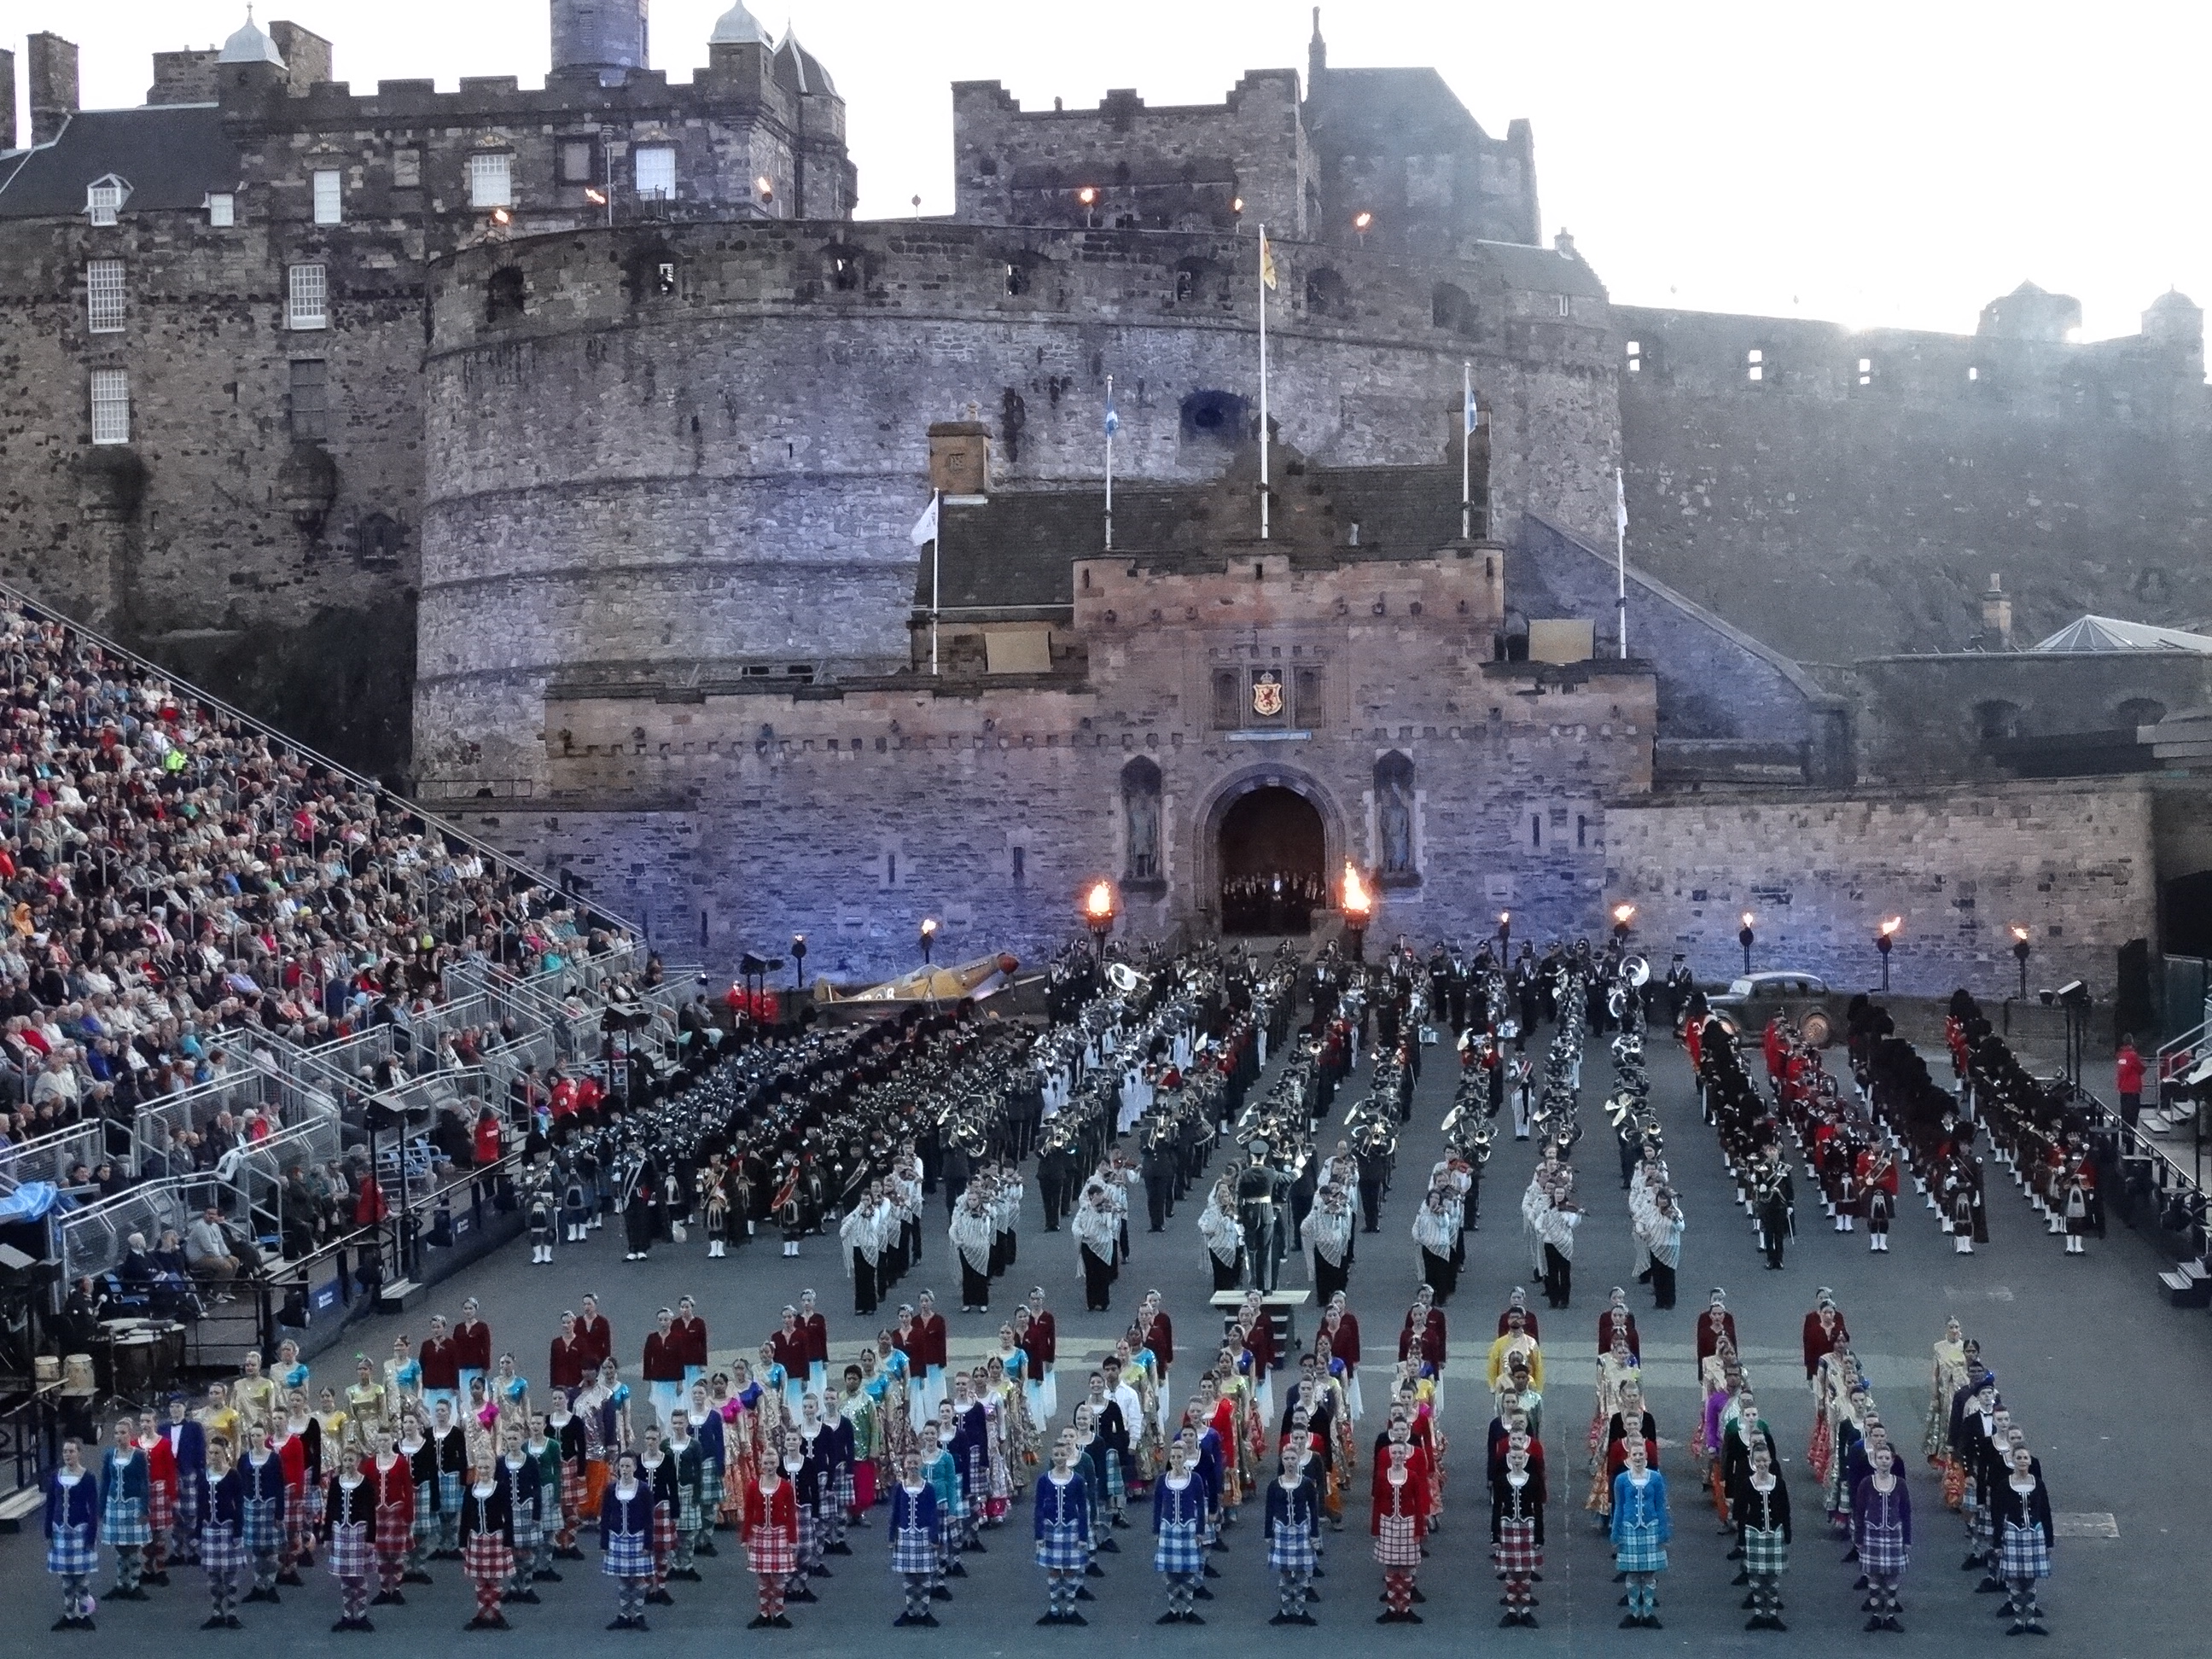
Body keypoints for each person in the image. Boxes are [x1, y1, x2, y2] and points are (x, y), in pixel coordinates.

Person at [1610, 1436, 1670, 1629]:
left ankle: (1649, 1613)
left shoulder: (1656, 1478)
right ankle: (1634, 1613)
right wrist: (1616, 1531)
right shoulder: (1621, 1480)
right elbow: (1618, 1507)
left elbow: (1660, 1506)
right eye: (1634, 1454)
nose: (1638, 1458)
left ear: (1646, 1456)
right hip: (1629, 1529)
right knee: (1633, 1574)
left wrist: (1663, 1530)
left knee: (1649, 1573)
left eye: (1641, 1454)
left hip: (1651, 1528)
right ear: (1629, 1456)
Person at [1995, 1445, 2054, 1636]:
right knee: (2014, 1580)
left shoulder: (2038, 1483)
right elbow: (1998, 1514)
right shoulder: (2005, 1485)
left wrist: (2049, 1541)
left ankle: (2030, 1620)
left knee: (2030, 1580)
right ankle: (2019, 1621)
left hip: (2034, 1534)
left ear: (2030, 1461)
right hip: (2013, 1533)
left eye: (2025, 1458)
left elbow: (2045, 1513)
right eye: (2019, 1458)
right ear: (2013, 1461)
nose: (2022, 1461)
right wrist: (1997, 1543)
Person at [1853, 1441, 1911, 1633]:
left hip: (1895, 1535)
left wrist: (1907, 1539)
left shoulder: (1900, 1484)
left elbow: (1906, 1513)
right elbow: (1859, 1512)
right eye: (1880, 1458)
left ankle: (1890, 1617)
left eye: (1887, 1458)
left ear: (1892, 1461)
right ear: (1875, 1460)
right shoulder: (1866, 1484)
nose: (1884, 1461)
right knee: (1874, 1579)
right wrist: (1858, 1538)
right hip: (1872, 1535)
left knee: (1892, 1579)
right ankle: (1877, 1616)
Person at [1034, 1435, 1091, 1625]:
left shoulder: (1077, 1480)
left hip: (1071, 1528)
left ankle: (1070, 1608)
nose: (1059, 1458)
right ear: (1052, 1457)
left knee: (1069, 1569)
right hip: (1050, 1528)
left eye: (1062, 1454)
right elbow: (1038, 1508)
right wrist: (1038, 1535)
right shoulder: (1044, 1480)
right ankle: (1054, 1609)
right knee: (1052, 1569)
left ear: (1068, 1455)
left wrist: (1083, 1536)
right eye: (1056, 1455)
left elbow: (1082, 1509)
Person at [45, 1436, 102, 1631]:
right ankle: (69, 1614)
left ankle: (84, 1614)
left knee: (81, 1578)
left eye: (71, 1451)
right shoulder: (56, 1476)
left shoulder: (87, 1477)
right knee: (66, 1578)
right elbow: (50, 1503)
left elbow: (93, 1508)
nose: (67, 1455)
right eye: (65, 1452)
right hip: (60, 1530)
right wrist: (48, 1530)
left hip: (80, 1530)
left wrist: (92, 1534)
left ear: (79, 1453)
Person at [1371, 1435, 1428, 1624]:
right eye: (1394, 1453)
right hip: (1387, 1524)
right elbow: (1377, 1503)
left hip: (1407, 1524)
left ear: (1405, 1456)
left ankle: (1404, 1607)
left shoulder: (1412, 1476)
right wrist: (1376, 1529)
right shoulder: (1382, 1476)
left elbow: (1418, 1504)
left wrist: (1419, 1530)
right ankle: (1392, 1608)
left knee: (1406, 1568)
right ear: (1390, 1455)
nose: (1397, 1456)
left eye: (1400, 1453)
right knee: (1390, 1567)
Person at [744, 1442, 800, 1629]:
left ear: (777, 1464)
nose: (769, 1467)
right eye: (766, 1463)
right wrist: (745, 1536)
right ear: (761, 1464)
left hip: (780, 1534)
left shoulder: (786, 1487)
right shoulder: (753, 1486)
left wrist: (792, 1539)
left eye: (773, 1463)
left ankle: (778, 1613)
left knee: (779, 1578)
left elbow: (791, 1514)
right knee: (763, 1578)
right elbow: (748, 1512)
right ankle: (764, 1613)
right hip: (759, 1534)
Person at [323, 1443, 379, 1631]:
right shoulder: (335, 1482)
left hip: (359, 1533)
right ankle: (348, 1615)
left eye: (351, 1460)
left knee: (359, 1576)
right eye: (345, 1460)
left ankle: (361, 1615)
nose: (348, 1463)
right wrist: (327, 1536)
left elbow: (371, 1513)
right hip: (340, 1532)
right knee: (345, 1577)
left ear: (358, 1462)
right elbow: (330, 1509)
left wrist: (371, 1539)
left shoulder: (365, 1484)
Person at [1152, 1439, 1207, 1625]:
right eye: (1173, 1457)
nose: (1176, 1460)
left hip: (1188, 1528)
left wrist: (1200, 1530)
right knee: (1170, 1571)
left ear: (1184, 1459)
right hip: (1168, 1528)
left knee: (1189, 1571)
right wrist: (1156, 1530)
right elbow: (1157, 1506)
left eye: (1179, 1457)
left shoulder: (1195, 1479)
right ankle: (1174, 1609)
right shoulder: (1162, 1480)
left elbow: (1201, 1505)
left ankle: (1188, 1608)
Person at [1737, 1441, 1790, 1631]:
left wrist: (1787, 1533)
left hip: (1775, 1533)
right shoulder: (1747, 1483)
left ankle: (1772, 1615)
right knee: (1756, 1578)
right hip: (1754, 1533)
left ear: (1770, 1461)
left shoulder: (1779, 1483)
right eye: (1758, 1461)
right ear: (1753, 1462)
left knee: (1773, 1579)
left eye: (1765, 1460)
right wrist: (1741, 1538)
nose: (1762, 1464)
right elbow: (1740, 1512)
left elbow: (1785, 1510)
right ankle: (1760, 1614)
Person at [459, 1451, 515, 1630]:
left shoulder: (501, 1488)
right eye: (481, 1467)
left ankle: (496, 1615)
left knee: (494, 1581)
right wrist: (462, 1542)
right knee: (480, 1581)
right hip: (476, 1539)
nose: (483, 1471)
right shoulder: (470, 1490)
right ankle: (482, 1614)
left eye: (487, 1468)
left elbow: (509, 1516)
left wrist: (508, 1541)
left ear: (493, 1469)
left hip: (496, 1538)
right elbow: (465, 1517)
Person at [599, 1450, 655, 1632]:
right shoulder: (611, 1489)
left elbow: (649, 1519)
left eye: (628, 1466)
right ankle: (624, 1614)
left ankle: (638, 1614)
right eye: (622, 1466)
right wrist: (604, 1542)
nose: (624, 1470)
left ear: (635, 1468)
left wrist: (648, 1543)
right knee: (623, 1579)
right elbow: (605, 1516)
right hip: (617, 1538)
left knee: (638, 1579)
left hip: (638, 1537)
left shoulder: (643, 1489)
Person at [1265, 1448, 1321, 1626]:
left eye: (1293, 1459)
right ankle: (1285, 1610)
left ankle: (1300, 1610)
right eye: (1287, 1458)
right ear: (1282, 1461)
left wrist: (1314, 1533)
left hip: (1301, 1530)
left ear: (1298, 1461)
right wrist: (1268, 1533)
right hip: (1281, 1531)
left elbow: (1313, 1509)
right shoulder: (1274, 1484)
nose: (1290, 1462)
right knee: (1285, 1573)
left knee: (1302, 1573)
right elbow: (1269, 1509)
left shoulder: (1306, 1484)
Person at [1491, 1441, 1545, 1627]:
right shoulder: (1501, 1480)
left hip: (1527, 1526)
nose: (1516, 1461)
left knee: (1526, 1571)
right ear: (1509, 1458)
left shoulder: (1533, 1480)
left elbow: (1538, 1509)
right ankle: (1512, 1611)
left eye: (1520, 1458)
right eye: (1513, 1458)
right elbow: (1496, 1509)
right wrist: (1494, 1535)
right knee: (1511, 1572)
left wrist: (1539, 1536)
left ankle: (1526, 1611)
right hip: (1507, 1526)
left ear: (1524, 1458)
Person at [99, 1415, 151, 1604]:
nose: (119, 1436)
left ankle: (134, 1584)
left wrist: (144, 1508)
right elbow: (105, 1480)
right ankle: (121, 1583)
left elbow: (144, 1482)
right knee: (120, 1546)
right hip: (114, 1503)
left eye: (123, 1433)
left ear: (130, 1435)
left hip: (133, 1504)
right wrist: (101, 1507)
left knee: (134, 1546)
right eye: (116, 1433)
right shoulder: (109, 1455)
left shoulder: (138, 1455)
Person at [361, 1423, 414, 1606]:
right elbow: (365, 1490)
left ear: (392, 1441)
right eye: (380, 1440)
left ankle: (396, 1589)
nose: (383, 1443)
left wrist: (409, 1515)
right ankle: (384, 1589)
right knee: (381, 1553)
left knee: (396, 1554)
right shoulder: (370, 1464)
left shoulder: (401, 1462)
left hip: (396, 1511)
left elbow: (408, 1489)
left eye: (386, 1440)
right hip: (377, 1513)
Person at [888, 1450, 941, 1627]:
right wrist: (891, 1537)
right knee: (909, 1577)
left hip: (924, 1536)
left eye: (916, 1463)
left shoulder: (929, 1488)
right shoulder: (899, 1488)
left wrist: (934, 1536)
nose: (912, 1466)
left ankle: (924, 1611)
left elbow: (933, 1514)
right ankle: (911, 1612)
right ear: (904, 1465)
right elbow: (895, 1514)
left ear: (922, 1465)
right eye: (909, 1463)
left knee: (925, 1576)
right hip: (904, 1535)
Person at [201, 1437, 247, 1628]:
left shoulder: (233, 1475)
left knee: (230, 1575)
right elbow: (200, 1504)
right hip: (209, 1528)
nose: (213, 1456)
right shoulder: (204, 1474)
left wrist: (238, 1532)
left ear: (224, 1454)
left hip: (228, 1528)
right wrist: (197, 1532)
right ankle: (216, 1612)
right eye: (211, 1453)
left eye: (217, 1453)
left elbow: (240, 1505)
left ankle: (232, 1613)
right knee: (213, 1575)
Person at [2116, 1033, 2145, 1129]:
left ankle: (2125, 1132)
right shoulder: (2133, 1055)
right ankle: (2131, 1132)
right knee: (2133, 1113)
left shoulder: (2121, 1055)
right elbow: (2141, 1068)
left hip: (2123, 1088)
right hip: (2133, 1089)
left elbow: (2120, 1071)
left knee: (2125, 1113)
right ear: (2131, 1042)